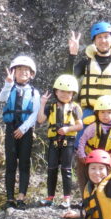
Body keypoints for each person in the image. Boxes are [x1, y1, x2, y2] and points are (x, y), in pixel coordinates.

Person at [0, 55, 40, 210]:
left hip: (26, 130)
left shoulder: (34, 92)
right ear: (13, 72)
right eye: (19, 69)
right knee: (10, 164)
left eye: (26, 70)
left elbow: (35, 113)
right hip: (10, 128)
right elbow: (1, 98)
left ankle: (21, 196)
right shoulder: (10, 88)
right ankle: (10, 198)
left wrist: (23, 129)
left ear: (31, 74)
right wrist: (7, 84)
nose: (23, 72)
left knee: (24, 163)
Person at [37, 74, 83, 209]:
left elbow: (80, 126)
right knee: (51, 169)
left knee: (66, 169)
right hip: (53, 142)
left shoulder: (75, 107)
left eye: (68, 92)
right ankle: (50, 198)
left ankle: (67, 199)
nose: (64, 94)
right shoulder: (51, 106)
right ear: (56, 91)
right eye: (61, 91)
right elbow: (40, 120)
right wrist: (42, 103)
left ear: (73, 93)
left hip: (67, 142)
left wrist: (68, 128)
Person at [76, 95, 111, 191]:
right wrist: (82, 154)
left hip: (106, 159)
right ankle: (88, 196)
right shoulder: (93, 127)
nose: (106, 116)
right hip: (92, 158)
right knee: (91, 178)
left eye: (109, 112)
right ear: (97, 113)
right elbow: (82, 140)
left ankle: (107, 193)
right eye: (102, 112)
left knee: (106, 178)